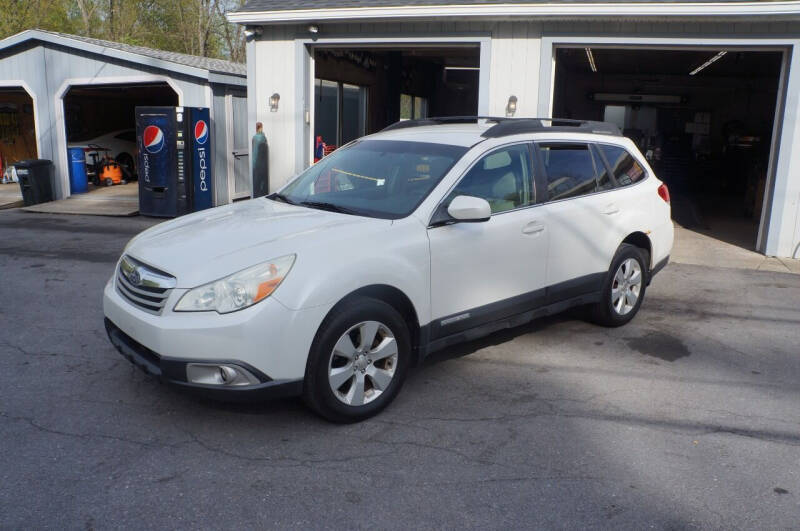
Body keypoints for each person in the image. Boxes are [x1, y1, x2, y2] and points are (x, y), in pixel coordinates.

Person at [252, 122, 269, 197]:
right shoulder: (262, 137)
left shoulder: (254, 138)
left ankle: (256, 196)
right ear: (261, 128)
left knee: (256, 183)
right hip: (262, 164)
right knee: (262, 183)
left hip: (255, 164)